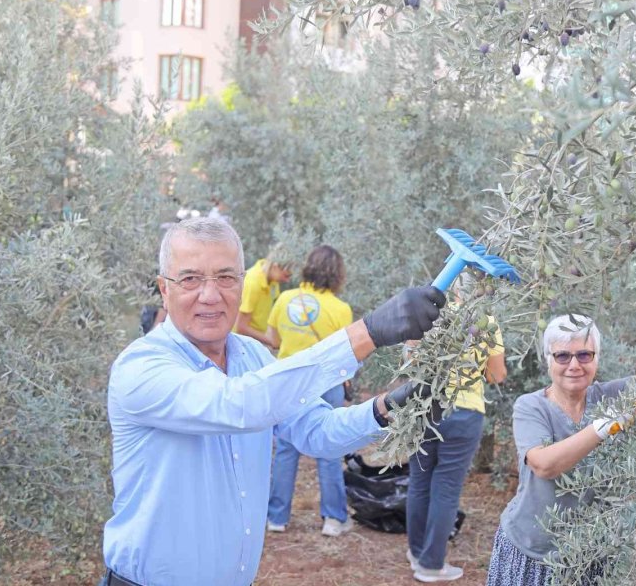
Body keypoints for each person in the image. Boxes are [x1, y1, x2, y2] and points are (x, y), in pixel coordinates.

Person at [102, 217, 446, 586]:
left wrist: (386, 410)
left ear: (242, 283)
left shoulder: (252, 355)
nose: (210, 295)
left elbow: (316, 431)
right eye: (190, 279)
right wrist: (367, 333)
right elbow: (239, 405)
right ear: (164, 289)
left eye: (225, 277)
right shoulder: (141, 367)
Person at [486, 314, 636, 586]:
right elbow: (543, 464)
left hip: (590, 555)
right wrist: (604, 427)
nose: (574, 365)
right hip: (532, 553)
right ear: (548, 360)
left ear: (596, 358)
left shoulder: (609, 397)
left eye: (584, 355)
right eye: (562, 356)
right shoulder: (530, 406)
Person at [405, 275, 507, 582]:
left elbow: (409, 359)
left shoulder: (428, 314)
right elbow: (497, 375)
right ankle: (430, 565)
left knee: (419, 482)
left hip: (423, 407)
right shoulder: (486, 322)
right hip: (464, 411)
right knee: (446, 488)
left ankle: (417, 553)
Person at [264, 245, 355, 537]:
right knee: (329, 449)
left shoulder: (285, 299)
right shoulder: (341, 309)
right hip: (326, 385)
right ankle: (333, 519)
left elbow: (273, 340)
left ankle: (276, 518)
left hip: (289, 384)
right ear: (337, 274)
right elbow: (347, 353)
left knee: (285, 450)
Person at [234, 244, 293, 349]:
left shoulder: (273, 280)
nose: (287, 280)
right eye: (286, 275)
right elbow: (241, 328)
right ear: (275, 266)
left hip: (257, 340)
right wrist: (272, 341)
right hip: (242, 344)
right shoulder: (252, 283)